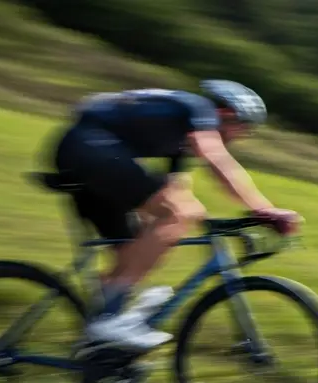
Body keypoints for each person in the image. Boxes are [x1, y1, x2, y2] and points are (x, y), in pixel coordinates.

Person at [47, 80, 301, 353]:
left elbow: (176, 187)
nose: (241, 136)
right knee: (178, 213)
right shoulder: (199, 109)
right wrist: (263, 209)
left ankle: (102, 341)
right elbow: (217, 160)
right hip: (90, 147)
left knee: (137, 245)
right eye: (243, 128)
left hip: (87, 151)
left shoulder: (180, 134)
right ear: (227, 113)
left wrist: (221, 223)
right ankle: (109, 322)